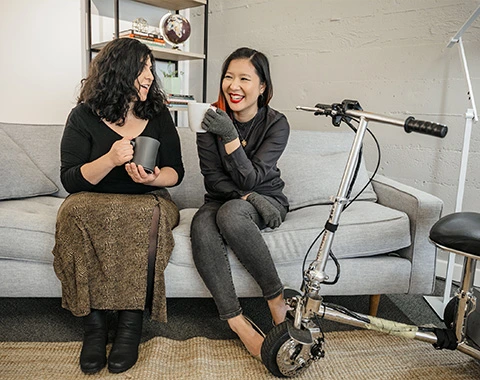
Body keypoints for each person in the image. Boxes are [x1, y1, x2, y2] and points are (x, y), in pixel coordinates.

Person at [52, 38, 184, 374]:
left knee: (143, 215)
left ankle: (130, 324)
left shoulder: (157, 113)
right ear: (119, 71)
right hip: (92, 197)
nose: (150, 76)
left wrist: (151, 179)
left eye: (151, 69)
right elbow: (71, 179)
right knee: (73, 212)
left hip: (147, 198)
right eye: (143, 69)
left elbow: (175, 173)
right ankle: (95, 326)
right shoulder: (82, 116)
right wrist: (110, 159)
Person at [190, 47, 291, 360]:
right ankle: (237, 322)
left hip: (267, 198)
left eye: (244, 78)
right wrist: (245, 196)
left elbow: (253, 179)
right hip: (230, 197)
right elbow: (213, 179)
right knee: (202, 225)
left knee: (232, 215)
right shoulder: (209, 119)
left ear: (262, 86)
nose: (233, 85)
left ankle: (277, 303)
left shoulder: (277, 123)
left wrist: (231, 136)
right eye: (228, 77)